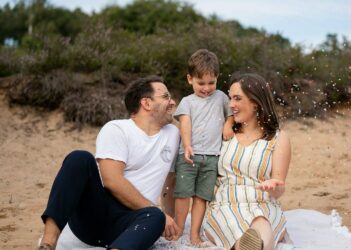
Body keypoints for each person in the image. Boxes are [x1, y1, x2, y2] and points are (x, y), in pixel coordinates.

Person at [38, 76, 181, 250]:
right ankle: (48, 243)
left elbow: (170, 183)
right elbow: (112, 180)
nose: (172, 102)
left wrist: (169, 218)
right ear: (146, 103)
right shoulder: (117, 129)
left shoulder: (173, 134)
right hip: (96, 216)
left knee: (156, 216)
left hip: (133, 223)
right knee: (79, 158)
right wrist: (157, 211)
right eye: (166, 97)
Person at [204, 73, 291, 250]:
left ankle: (253, 245)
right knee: (233, 226)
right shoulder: (224, 134)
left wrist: (275, 186)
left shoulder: (278, 138)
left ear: (255, 102)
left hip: (263, 202)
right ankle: (246, 245)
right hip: (225, 204)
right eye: (230, 98)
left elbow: (279, 187)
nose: (231, 105)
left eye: (237, 98)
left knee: (261, 221)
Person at [173, 49, 234, 246]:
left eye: (211, 83)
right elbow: (185, 124)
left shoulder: (222, 98)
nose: (207, 88)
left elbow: (230, 113)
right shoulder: (187, 102)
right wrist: (188, 145)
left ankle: (194, 235)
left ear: (217, 78)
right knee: (183, 195)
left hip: (213, 157)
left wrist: (228, 123)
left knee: (202, 198)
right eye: (201, 83)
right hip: (189, 155)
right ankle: (178, 230)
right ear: (190, 79)